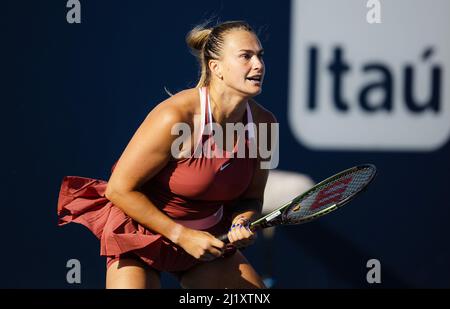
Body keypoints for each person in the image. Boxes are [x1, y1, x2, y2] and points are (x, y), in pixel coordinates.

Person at [57, 20, 277, 289]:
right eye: (246, 56)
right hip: (142, 234)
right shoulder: (175, 116)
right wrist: (181, 235)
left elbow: (252, 198)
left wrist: (242, 222)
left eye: (260, 56)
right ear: (215, 67)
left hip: (208, 239)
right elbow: (118, 189)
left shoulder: (266, 126)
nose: (258, 65)